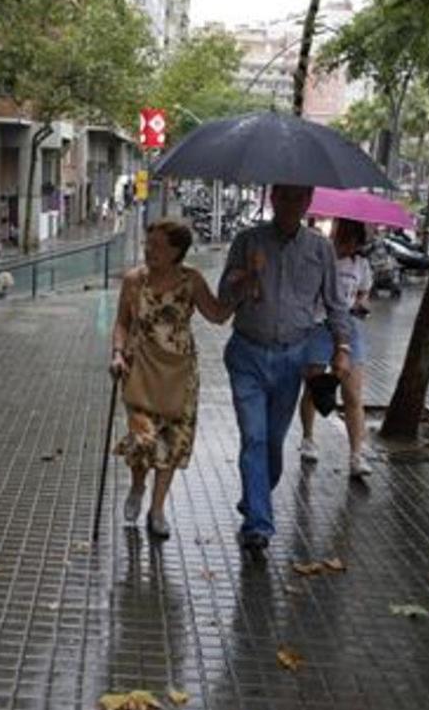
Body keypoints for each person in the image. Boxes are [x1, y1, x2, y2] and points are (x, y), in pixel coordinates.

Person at [218, 184, 352, 555]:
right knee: (254, 437)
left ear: (308, 201)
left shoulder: (319, 248)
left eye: (299, 197)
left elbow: (336, 304)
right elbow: (224, 295)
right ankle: (258, 524)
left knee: (274, 442)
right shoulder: (248, 241)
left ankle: (255, 496)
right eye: (284, 196)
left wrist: (342, 347)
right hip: (247, 352)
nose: (291, 203)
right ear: (272, 198)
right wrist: (247, 275)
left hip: (293, 356)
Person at [110, 219, 231, 538]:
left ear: (177, 251)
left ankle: (158, 508)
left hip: (180, 374)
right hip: (140, 370)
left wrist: (243, 283)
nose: (149, 251)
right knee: (143, 440)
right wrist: (118, 353)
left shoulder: (191, 281)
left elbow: (217, 315)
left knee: (173, 441)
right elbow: (121, 323)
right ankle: (137, 487)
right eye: (148, 244)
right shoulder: (134, 281)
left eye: (158, 247)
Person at [298, 218, 373, 476]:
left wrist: (361, 303)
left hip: (350, 329)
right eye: (344, 238)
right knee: (314, 387)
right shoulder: (320, 260)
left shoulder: (361, 265)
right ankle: (308, 438)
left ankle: (356, 454)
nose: (348, 245)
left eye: (354, 241)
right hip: (318, 327)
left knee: (353, 393)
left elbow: (363, 293)